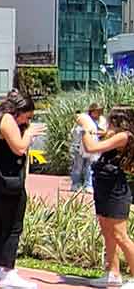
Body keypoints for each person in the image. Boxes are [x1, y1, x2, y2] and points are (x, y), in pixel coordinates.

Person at [0, 89, 41, 289]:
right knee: (13, 225)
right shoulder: (6, 120)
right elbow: (19, 147)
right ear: (18, 110)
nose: (26, 122)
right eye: (26, 117)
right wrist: (29, 135)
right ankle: (8, 272)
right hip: (7, 181)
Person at [81, 106, 134, 287]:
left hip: (115, 189)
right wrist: (93, 129)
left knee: (120, 235)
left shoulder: (124, 136)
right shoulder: (113, 134)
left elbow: (91, 147)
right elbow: (100, 135)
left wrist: (85, 127)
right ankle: (113, 273)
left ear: (119, 122)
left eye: (111, 120)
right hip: (103, 185)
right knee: (107, 231)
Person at [74, 101, 109, 194]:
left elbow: (104, 131)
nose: (98, 113)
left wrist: (94, 132)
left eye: (99, 111)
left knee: (90, 166)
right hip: (80, 146)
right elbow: (79, 128)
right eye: (96, 111)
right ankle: (75, 184)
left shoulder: (102, 120)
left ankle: (88, 185)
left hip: (94, 144)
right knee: (78, 166)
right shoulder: (85, 118)